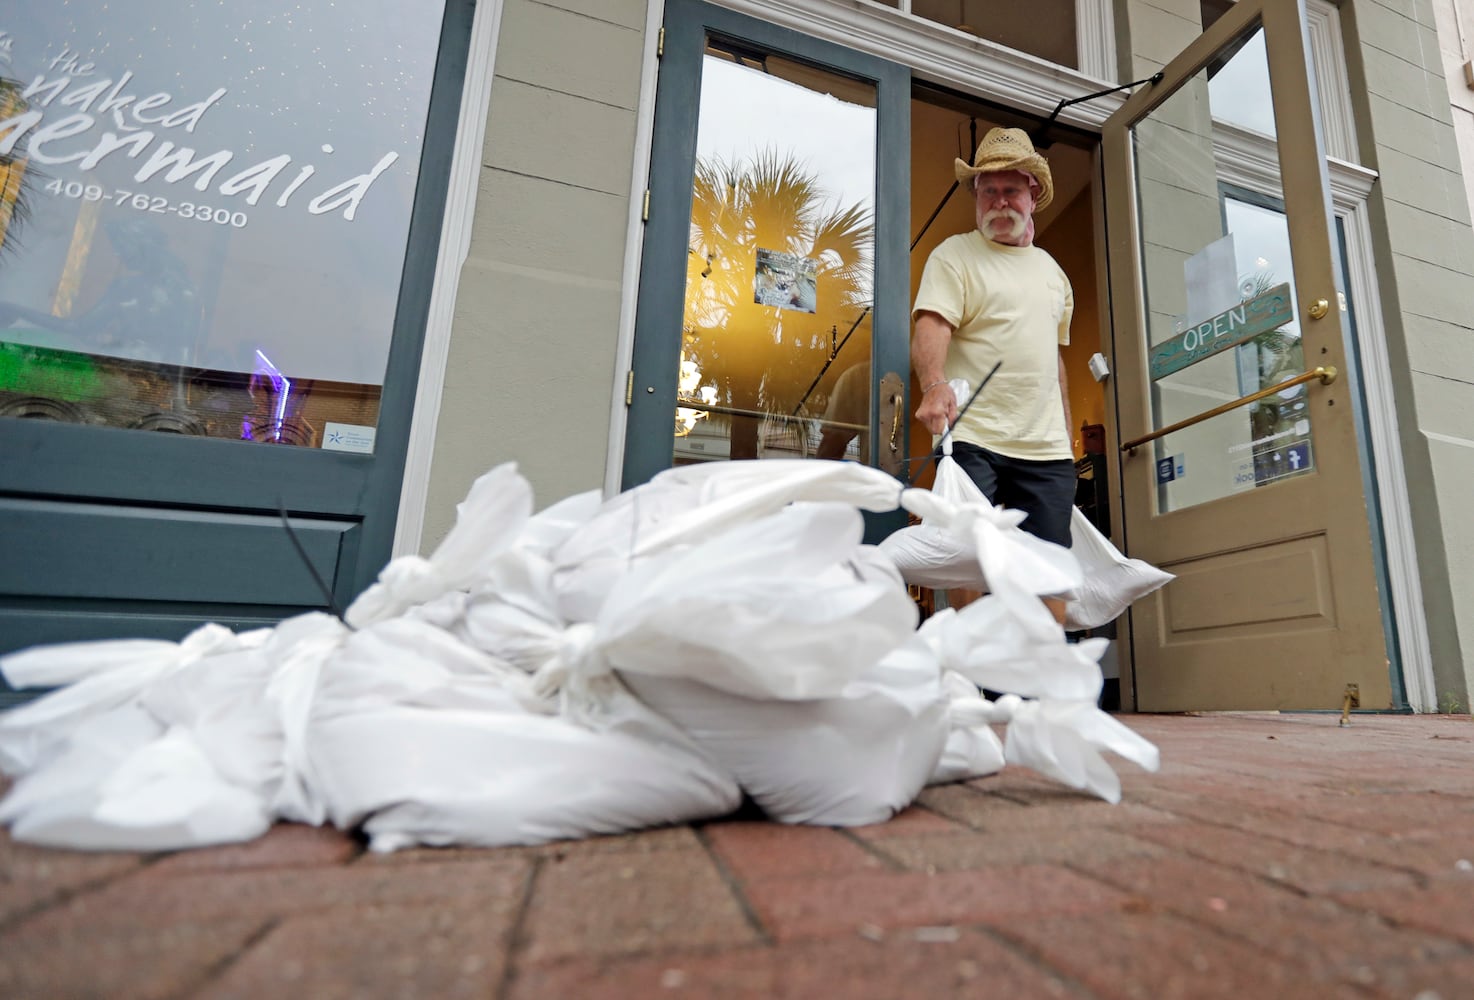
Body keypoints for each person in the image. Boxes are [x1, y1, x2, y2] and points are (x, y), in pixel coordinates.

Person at [911, 126, 1076, 623]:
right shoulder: (954, 255)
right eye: (988, 191)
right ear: (977, 197)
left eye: (1010, 190)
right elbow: (932, 322)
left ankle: (1042, 678)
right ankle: (974, 672)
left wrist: (1067, 431)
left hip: (1045, 446)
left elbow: (1055, 358)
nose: (998, 201)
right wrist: (934, 384)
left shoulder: (1052, 271)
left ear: (1033, 195)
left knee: (1050, 566)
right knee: (969, 558)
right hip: (974, 435)